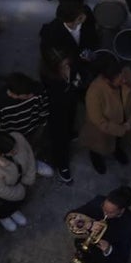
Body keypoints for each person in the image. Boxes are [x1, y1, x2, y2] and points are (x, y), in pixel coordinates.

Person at [79, 56, 131, 175]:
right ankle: (96, 156)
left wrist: (130, 121)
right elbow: (100, 122)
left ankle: (116, 150)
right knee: (98, 146)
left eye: (122, 76)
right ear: (107, 80)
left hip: (124, 123)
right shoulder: (94, 93)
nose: (124, 81)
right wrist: (123, 128)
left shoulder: (126, 74)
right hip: (102, 131)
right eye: (119, 79)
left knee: (118, 141)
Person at [39, 47, 85, 183]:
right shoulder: (50, 79)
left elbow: (76, 80)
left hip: (70, 102)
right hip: (57, 110)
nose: (67, 66)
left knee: (71, 120)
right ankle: (62, 164)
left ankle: (70, 133)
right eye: (64, 65)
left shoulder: (71, 66)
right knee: (60, 138)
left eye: (67, 63)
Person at [0, 131, 36, 233]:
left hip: (18, 183)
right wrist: (21, 191)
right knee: (4, 204)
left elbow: (29, 154)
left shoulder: (17, 137)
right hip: (3, 193)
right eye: (11, 151)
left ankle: (13, 210)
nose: (16, 150)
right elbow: (1, 191)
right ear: (0, 153)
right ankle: (3, 216)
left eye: (15, 147)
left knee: (15, 202)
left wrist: (29, 178)